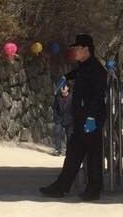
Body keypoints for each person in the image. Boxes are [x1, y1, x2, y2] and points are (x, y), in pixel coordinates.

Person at [40, 33, 107, 201]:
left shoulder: (97, 70)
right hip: (80, 117)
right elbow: (76, 73)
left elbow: (97, 96)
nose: (75, 51)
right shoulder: (84, 66)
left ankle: (93, 190)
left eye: (77, 48)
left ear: (86, 49)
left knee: (93, 156)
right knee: (74, 155)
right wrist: (66, 77)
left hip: (91, 117)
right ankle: (60, 187)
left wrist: (91, 118)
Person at [52, 80, 74, 156]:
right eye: (61, 87)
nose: (63, 89)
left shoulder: (72, 97)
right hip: (60, 119)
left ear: (68, 88)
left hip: (70, 119)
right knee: (57, 132)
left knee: (70, 135)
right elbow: (55, 108)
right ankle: (58, 149)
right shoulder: (57, 97)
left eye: (64, 87)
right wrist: (56, 118)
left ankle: (70, 151)